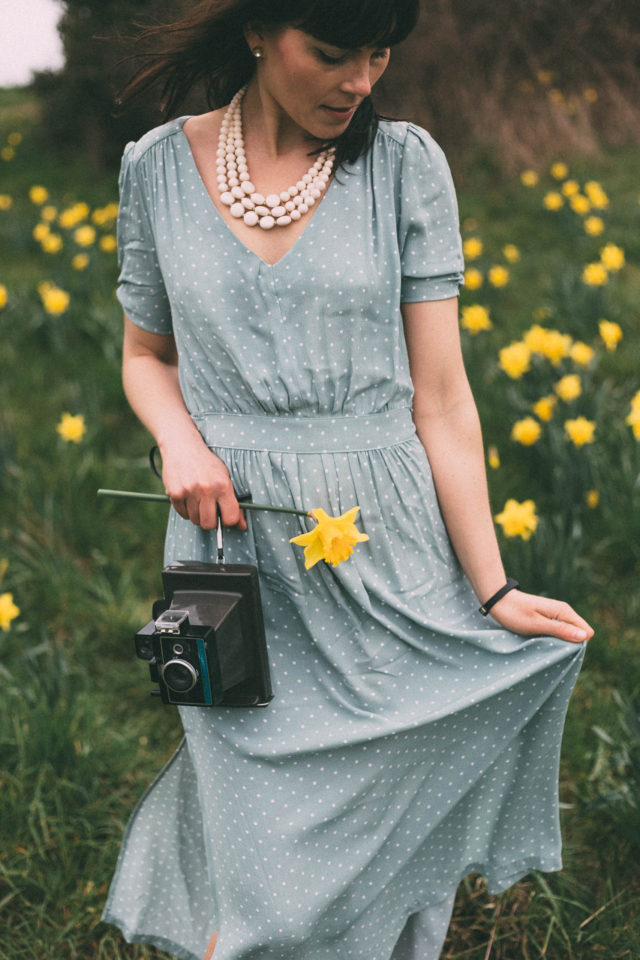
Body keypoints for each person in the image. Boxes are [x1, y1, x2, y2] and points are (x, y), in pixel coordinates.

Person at [101, 1, 594, 958]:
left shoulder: (406, 164)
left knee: (383, 800)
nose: (361, 82)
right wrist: (179, 441)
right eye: (332, 53)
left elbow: (443, 401)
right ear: (257, 29)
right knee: (263, 845)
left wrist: (492, 588)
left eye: (378, 55)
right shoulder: (156, 167)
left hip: (390, 541)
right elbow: (144, 355)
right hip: (232, 551)